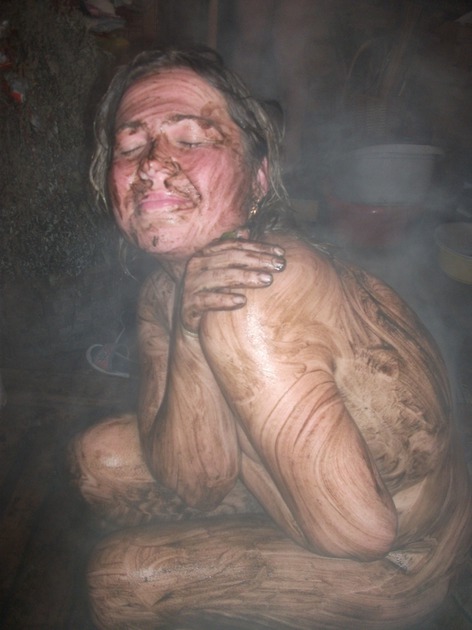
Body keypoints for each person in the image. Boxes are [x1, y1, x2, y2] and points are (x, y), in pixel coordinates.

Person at [70, 46, 472, 629]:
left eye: (191, 139)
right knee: (98, 459)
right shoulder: (166, 293)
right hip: (305, 500)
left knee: (122, 580)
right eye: (130, 147)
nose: (152, 164)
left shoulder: (258, 292)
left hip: (403, 558)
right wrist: (188, 336)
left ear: (258, 179)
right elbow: (197, 484)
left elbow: (360, 533)